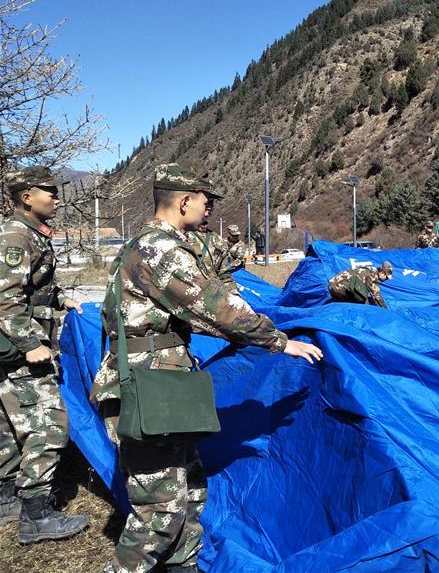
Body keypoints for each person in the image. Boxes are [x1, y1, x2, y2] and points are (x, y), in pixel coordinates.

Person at [91, 163, 322, 573]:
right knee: (159, 510)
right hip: (148, 387)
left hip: (164, 382)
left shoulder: (156, 244)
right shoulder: (160, 250)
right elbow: (215, 309)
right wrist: (280, 341)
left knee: (190, 490)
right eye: (204, 200)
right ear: (184, 202)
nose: (209, 208)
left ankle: (182, 566)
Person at [0, 166, 89, 543]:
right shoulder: (17, 235)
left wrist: (61, 298)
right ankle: (36, 516)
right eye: (48, 191)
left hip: (12, 349)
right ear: (26, 197)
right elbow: (5, 299)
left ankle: (7, 498)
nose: (56, 197)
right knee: (49, 424)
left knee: (9, 422)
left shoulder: (30, 233)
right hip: (21, 348)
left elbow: (33, 286)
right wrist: (31, 344)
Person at [328, 262, 393, 308]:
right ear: (382, 273)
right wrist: (385, 310)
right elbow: (376, 296)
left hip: (332, 286)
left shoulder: (368, 270)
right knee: (362, 300)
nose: (386, 280)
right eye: (386, 277)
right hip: (340, 287)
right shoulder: (372, 275)